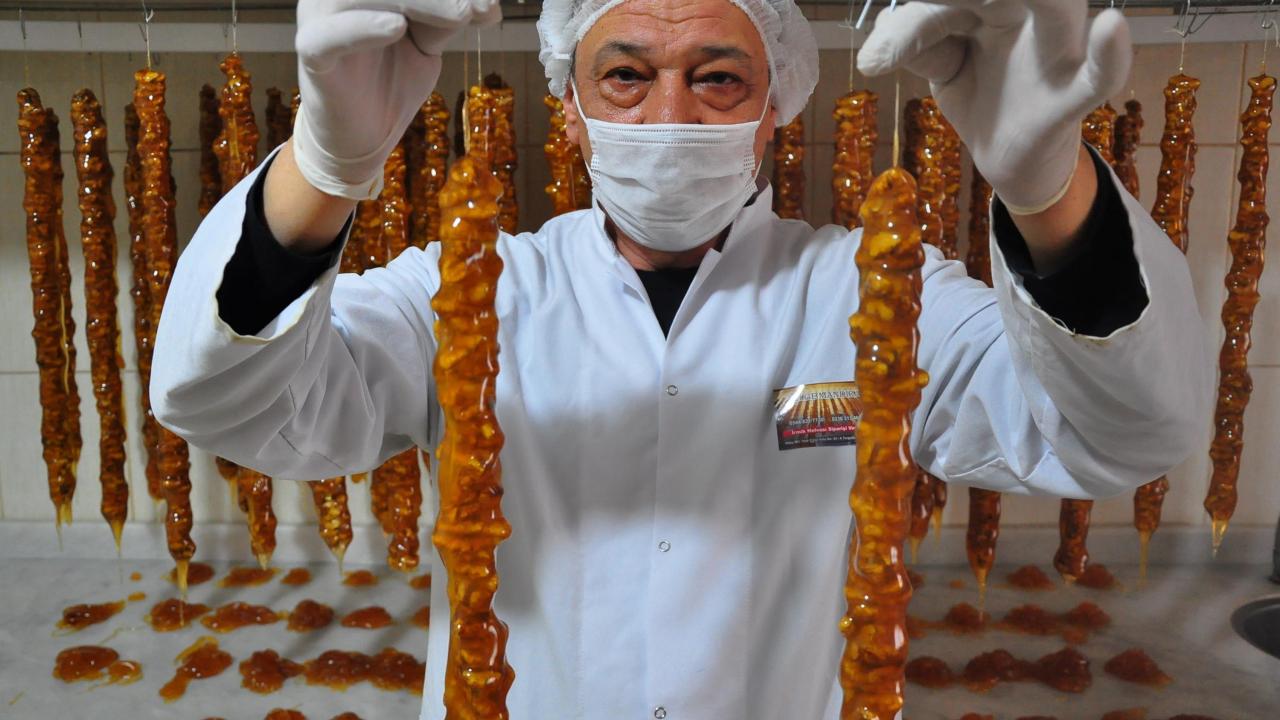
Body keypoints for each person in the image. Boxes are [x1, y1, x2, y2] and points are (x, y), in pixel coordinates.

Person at [151, 0, 1213, 717]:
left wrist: (1048, 190)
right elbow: (228, 405)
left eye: (717, 78)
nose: (669, 114)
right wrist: (323, 168)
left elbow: (1119, 432)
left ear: (772, 110)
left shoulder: (873, 293)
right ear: (570, 112)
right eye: (624, 75)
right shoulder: (470, 289)